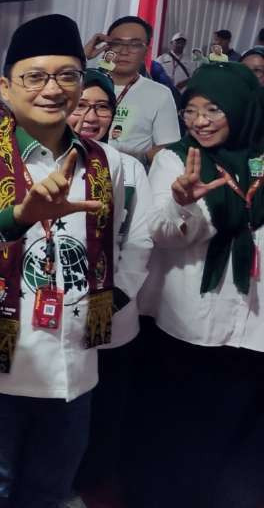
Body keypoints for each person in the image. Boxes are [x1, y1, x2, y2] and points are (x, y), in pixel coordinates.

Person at [0, 14, 149, 507]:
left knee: (49, 492)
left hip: (73, 366)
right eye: (35, 76)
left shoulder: (111, 162)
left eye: (66, 75)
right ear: (6, 86)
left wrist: (109, 300)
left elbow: (135, 240)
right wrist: (19, 216)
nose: (51, 89)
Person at [129, 62, 264, 508]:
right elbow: (161, 235)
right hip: (188, 317)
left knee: (235, 427)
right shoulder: (176, 158)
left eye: (213, 110)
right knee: (179, 424)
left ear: (243, 109)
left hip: (253, 320)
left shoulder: (261, 160)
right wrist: (182, 203)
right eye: (191, 110)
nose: (199, 121)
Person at [65, 69, 153, 496]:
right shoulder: (46, 163)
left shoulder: (129, 167)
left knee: (102, 406)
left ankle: (82, 484)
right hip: (57, 310)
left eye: (100, 106)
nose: (90, 115)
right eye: (81, 104)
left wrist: (116, 295)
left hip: (114, 310)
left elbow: (141, 237)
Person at [84, 16, 180, 164]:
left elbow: (168, 146)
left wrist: (133, 159)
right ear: (106, 47)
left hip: (129, 178)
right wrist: (82, 58)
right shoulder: (85, 84)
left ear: (146, 50)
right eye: (116, 43)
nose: (124, 51)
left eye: (135, 44)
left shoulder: (159, 93)